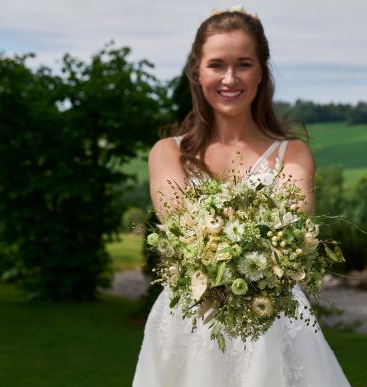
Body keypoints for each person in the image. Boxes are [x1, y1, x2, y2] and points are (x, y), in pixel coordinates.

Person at [132, 7, 350, 387]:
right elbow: (183, 232)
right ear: (197, 72)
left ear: (261, 73)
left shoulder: (293, 154)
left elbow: (292, 234)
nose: (229, 78)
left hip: (273, 319)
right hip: (189, 319)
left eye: (243, 64)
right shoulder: (168, 153)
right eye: (217, 65)